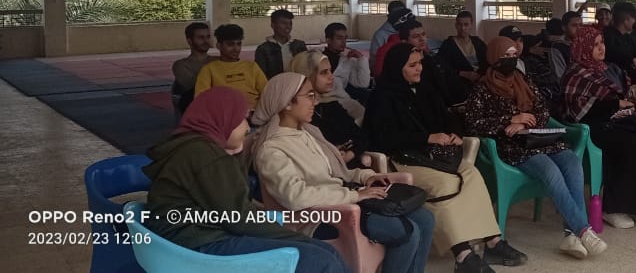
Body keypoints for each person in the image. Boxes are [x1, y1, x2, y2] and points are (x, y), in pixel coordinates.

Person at [142, 87, 349, 272]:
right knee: (320, 259)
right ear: (224, 119)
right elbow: (240, 219)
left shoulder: (193, 147)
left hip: (186, 241)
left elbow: (235, 206)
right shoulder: (204, 154)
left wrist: (235, 152)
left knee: (322, 252)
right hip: (198, 245)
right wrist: (299, 239)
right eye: (241, 119)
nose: (247, 128)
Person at [364, 43, 526, 273]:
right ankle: (463, 255)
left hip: (434, 157)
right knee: (445, 184)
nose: (419, 69)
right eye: (412, 65)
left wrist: (454, 134)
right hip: (403, 160)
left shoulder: (424, 90)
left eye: (420, 63)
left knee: (471, 174)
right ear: (397, 67)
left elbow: (449, 117)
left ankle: (492, 241)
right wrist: (427, 137)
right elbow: (385, 137)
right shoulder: (382, 97)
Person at [251, 73, 435, 273]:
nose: (315, 101)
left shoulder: (308, 133)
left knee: (425, 218)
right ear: (287, 103)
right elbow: (296, 197)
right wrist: (354, 196)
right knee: (405, 232)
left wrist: (365, 177)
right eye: (309, 96)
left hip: (341, 201)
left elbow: (335, 174)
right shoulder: (272, 150)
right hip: (316, 218)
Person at [465, 37, 606, 260]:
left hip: (537, 138)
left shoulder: (523, 79)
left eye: (514, 55)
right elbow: (474, 123)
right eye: (506, 55)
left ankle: (571, 235)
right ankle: (582, 230)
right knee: (550, 171)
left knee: (572, 162)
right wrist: (509, 120)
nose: (511, 60)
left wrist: (524, 122)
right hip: (512, 147)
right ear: (493, 58)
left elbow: (543, 110)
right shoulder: (482, 88)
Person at [562, 26, 636, 229]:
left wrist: (623, 107)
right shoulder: (575, 73)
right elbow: (577, 111)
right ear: (583, 47)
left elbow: (624, 95)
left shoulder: (608, 68)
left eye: (602, 43)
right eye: (595, 44)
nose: (601, 48)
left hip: (618, 119)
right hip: (592, 126)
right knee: (632, 144)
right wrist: (615, 104)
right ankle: (613, 208)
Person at [291, 51, 371, 169]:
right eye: (324, 72)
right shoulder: (298, 113)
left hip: (350, 169)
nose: (331, 76)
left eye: (330, 71)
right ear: (307, 75)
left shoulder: (331, 105)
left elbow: (362, 137)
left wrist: (349, 154)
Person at [194, 24, 269, 110]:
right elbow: (201, 100)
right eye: (230, 44)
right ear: (219, 46)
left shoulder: (252, 66)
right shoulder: (208, 70)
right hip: (223, 115)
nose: (236, 48)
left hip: (255, 113)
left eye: (239, 44)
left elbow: (267, 93)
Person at [437, 11, 489, 100]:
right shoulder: (449, 45)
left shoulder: (477, 42)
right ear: (455, 25)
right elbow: (442, 67)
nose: (463, 28)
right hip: (460, 84)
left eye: (466, 24)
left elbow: (487, 60)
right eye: (459, 24)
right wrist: (462, 73)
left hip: (481, 82)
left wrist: (482, 76)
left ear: (471, 25)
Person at [321, 22, 372, 110]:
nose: (343, 42)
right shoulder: (318, 60)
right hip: (324, 101)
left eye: (345, 38)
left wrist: (361, 59)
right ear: (328, 40)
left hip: (342, 100)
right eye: (339, 38)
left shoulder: (347, 59)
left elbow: (362, 84)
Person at [172, 22, 212, 117]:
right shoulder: (181, 65)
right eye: (201, 37)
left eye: (208, 37)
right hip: (197, 108)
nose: (206, 41)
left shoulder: (218, 60)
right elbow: (197, 89)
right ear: (189, 41)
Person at [256, 9, 309, 79]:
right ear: (273, 25)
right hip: (275, 84)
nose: (288, 27)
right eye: (284, 23)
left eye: (290, 24)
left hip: (297, 83)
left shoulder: (299, 45)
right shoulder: (263, 49)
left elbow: (307, 69)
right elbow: (261, 76)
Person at [602, 2, 636, 82]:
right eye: (633, 18)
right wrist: (633, 59)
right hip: (616, 79)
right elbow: (614, 52)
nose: (635, 21)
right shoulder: (607, 35)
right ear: (627, 19)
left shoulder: (628, 37)